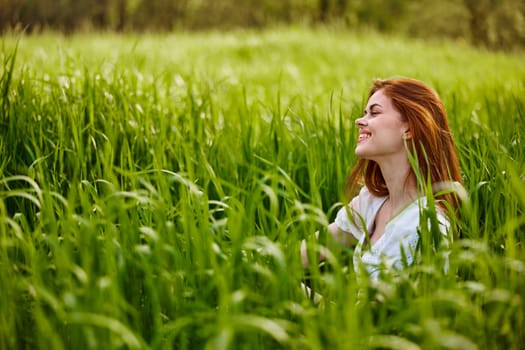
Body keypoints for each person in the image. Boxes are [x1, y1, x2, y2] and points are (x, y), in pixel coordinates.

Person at [301, 77, 462, 280]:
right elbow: (309, 251)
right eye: (364, 112)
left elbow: (378, 313)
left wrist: (294, 294)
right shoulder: (373, 201)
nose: (359, 121)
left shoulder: (426, 225)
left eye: (374, 112)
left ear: (410, 128)